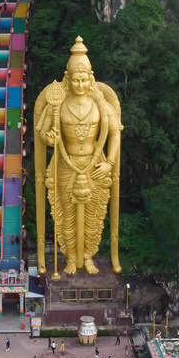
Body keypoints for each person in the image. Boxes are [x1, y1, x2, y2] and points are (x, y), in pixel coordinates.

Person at [34, 37, 123, 275]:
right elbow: (41, 133)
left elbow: (115, 133)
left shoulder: (100, 104)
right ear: (68, 78)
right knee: (66, 214)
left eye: (84, 79)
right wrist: (49, 138)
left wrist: (110, 163)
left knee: (94, 213)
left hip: (95, 165)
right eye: (75, 79)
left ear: (91, 78)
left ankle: (89, 256)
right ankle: (71, 258)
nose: (80, 84)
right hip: (65, 164)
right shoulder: (59, 104)